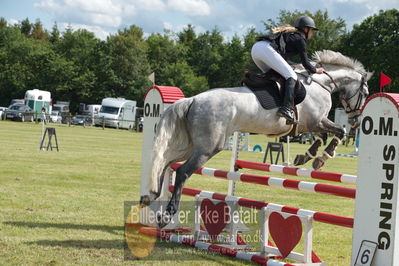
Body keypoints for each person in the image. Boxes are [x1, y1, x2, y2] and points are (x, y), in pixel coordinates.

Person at [251, 15, 325, 124]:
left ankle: (268, 102)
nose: (312, 33)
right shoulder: (300, 39)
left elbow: (284, 60)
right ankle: (286, 108)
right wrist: (316, 70)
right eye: (312, 30)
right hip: (266, 49)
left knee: (275, 75)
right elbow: (306, 63)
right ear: (306, 29)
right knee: (291, 76)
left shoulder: (291, 35)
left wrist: (295, 65)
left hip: (257, 49)